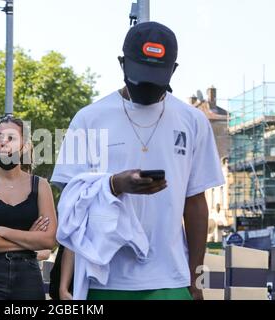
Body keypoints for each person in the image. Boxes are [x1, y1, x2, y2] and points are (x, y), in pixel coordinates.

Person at [51, 21, 224, 300]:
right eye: (140, 74)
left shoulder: (193, 121)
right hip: (102, 279)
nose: (146, 84)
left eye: (155, 76)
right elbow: (71, 205)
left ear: (173, 70)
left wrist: (198, 281)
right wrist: (113, 184)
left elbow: (195, 203)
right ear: (122, 64)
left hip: (171, 279)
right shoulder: (88, 119)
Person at [0, 115, 57, 300]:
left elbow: (48, 240)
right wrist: (30, 240)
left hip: (28, 276)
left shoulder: (40, 185)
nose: (4, 143)